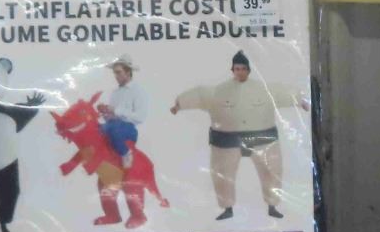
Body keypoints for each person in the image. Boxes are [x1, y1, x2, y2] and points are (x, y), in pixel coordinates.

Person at [171, 51, 308, 220]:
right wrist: (179, 105)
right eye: (237, 69)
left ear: (248, 70)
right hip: (226, 140)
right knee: (223, 174)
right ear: (233, 70)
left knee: (271, 170)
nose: (240, 72)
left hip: (262, 138)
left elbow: (283, 93)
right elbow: (199, 94)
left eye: (243, 69)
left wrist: (301, 101)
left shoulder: (264, 90)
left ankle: (272, 205)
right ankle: (227, 208)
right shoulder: (218, 91)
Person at [97, 55, 147, 165]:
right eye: (115, 73)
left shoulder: (137, 91)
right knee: (94, 129)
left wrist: (116, 111)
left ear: (128, 72)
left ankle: (126, 153)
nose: (116, 76)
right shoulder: (115, 92)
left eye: (119, 72)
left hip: (128, 129)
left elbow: (140, 117)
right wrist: (105, 111)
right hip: (112, 125)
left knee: (114, 128)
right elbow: (112, 115)